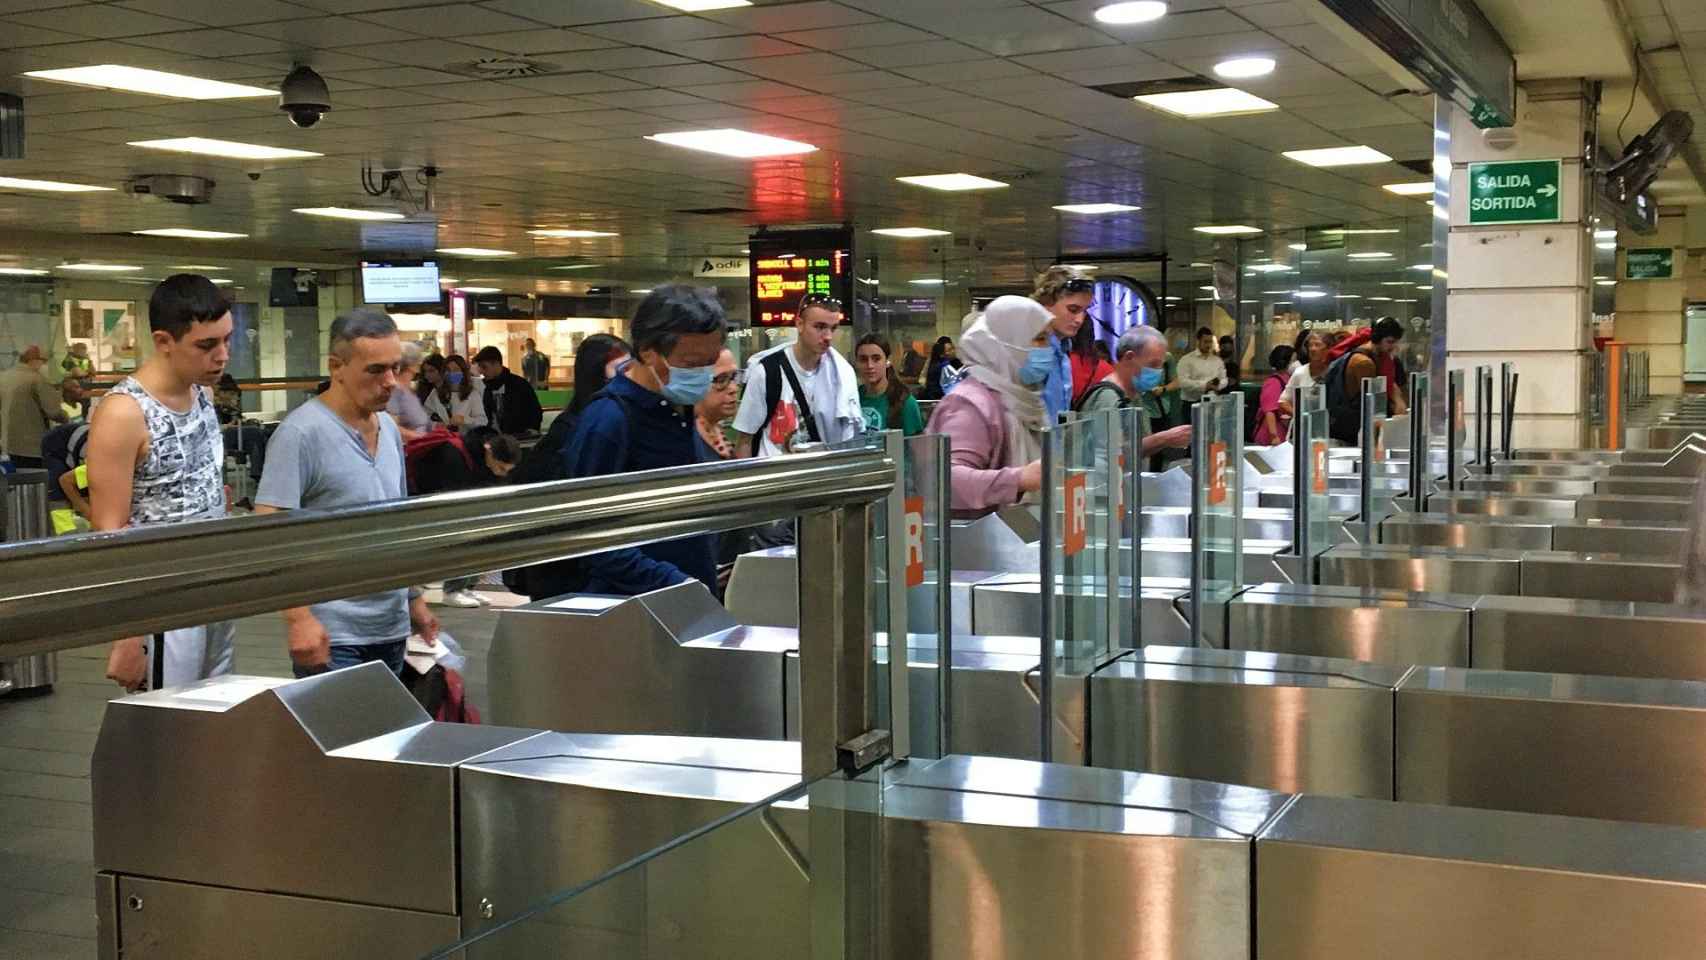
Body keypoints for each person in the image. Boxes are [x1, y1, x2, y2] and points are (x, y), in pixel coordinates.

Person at [255, 308, 438, 678]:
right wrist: (298, 617)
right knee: (342, 736)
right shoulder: (301, 434)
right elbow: (269, 532)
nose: (390, 381)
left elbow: (395, 525)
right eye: (375, 370)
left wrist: (413, 598)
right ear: (336, 366)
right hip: (334, 635)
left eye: (394, 367)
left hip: (391, 627)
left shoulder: (388, 428)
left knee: (392, 736)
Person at [521, 285, 725, 600]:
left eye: (709, 362)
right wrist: (675, 583)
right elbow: (592, 536)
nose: (702, 373)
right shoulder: (609, 420)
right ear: (647, 352)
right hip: (633, 610)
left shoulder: (677, 408)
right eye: (690, 362)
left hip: (686, 601)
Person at [85, 275, 235, 691]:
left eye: (226, 340)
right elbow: (108, 531)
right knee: (168, 726)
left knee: (215, 718)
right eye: (206, 345)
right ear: (164, 341)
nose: (222, 356)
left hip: (213, 583)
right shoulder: (124, 413)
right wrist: (128, 633)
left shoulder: (201, 392)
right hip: (162, 595)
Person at [927, 295, 1052, 515]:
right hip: (975, 543)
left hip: (1013, 539)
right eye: (1039, 339)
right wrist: (1018, 479)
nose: (1047, 349)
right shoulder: (971, 404)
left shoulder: (1021, 399)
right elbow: (946, 479)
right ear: (1006, 344)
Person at [733, 293, 862, 457]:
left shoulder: (841, 376)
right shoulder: (767, 371)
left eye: (833, 328)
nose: (828, 336)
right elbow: (745, 440)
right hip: (775, 476)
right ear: (799, 324)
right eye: (820, 327)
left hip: (820, 476)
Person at [411, 425, 520, 608]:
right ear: (488, 451)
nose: (502, 474)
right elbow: (446, 496)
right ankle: (452, 590)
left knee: (479, 534)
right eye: (500, 468)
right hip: (428, 503)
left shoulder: (487, 460)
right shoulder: (453, 453)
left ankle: (466, 586)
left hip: (458, 505)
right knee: (464, 535)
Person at [510, 333, 630, 486]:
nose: (629, 375)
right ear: (595, 373)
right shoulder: (569, 428)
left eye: (631, 367)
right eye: (621, 368)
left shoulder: (631, 416)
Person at [1074, 325, 1194, 451]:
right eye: (1153, 364)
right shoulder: (1108, 398)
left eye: (1160, 366)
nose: (1158, 371)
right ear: (1129, 357)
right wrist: (1162, 439)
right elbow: (1108, 455)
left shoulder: (1134, 396)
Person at [1323, 317, 1409, 445]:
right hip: (1353, 432)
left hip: (1361, 427)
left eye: (1395, 342)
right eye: (1390, 342)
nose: (1393, 347)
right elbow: (1374, 401)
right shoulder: (1363, 362)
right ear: (1376, 339)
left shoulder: (1380, 357)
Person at [1030, 266, 1096, 422]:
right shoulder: (1031, 351)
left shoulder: (1063, 348)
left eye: (1084, 311)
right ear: (1046, 303)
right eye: (1073, 309)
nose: (1080, 319)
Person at [0, 345, 68, 468]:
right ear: (36, 360)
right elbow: (53, 412)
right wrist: (67, 420)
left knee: (12, 483)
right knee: (34, 483)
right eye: (44, 361)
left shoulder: (3, 377)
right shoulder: (37, 379)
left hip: (6, 444)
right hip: (31, 447)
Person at [854, 333, 924, 436]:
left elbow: (916, 448)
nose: (870, 365)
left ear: (887, 361)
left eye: (876, 359)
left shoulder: (905, 402)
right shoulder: (853, 398)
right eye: (863, 359)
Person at [474, 344, 542, 436]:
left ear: (496, 364)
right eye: (480, 367)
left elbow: (535, 411)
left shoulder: (520, 385)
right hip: (498, 441)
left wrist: (531, 431)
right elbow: (489, 418)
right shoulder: (487, 389)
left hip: (522, 439)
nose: (481, 371)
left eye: (484, 367)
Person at [695, 348, 741, 460]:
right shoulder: (684, 441)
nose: (734, 388)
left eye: (734, 377)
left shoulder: (714, 428)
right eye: (721, 379)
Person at [424, 353, 486, 431]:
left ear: (463, 372)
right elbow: (425, 416)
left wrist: (464, 420)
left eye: (456, 369)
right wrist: (437, 425)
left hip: (466, 440)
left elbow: (483, 421)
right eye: (448, 370)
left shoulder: (472, 394)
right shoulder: (436, 393)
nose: (452, 373)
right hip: (444, 439)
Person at [387, 340, 432, 442]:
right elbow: (391, 428)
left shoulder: (408, 389)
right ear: (412, 365)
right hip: (410, 451)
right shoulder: (395, 391)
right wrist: (422, 439)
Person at [1253, 345, 1297, 445]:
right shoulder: (1273, 382)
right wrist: (1274, 436)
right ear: (1285, 362)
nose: (1296, 363)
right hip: (1272, 437)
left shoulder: (1290, 380)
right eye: (1294, 360)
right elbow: (1269, 411)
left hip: (1285, 433)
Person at [1177, 326, 1224, 418]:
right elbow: (1183, 383)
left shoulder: (1217, 360)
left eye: (1210, 341)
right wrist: (1205, 385)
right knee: (1192, 432)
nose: (1208, 345)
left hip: (1212, 403)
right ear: (1198, 341)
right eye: (1205, 342)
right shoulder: (1186, 360)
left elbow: (1223, 378)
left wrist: (1218, 385)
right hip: (1192, 404)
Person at [922, 336, 963, 401]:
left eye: (953, 348)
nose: (953, 351)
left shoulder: (956, 362)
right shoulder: (941, 366)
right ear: (942, 354)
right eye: (949, 350)